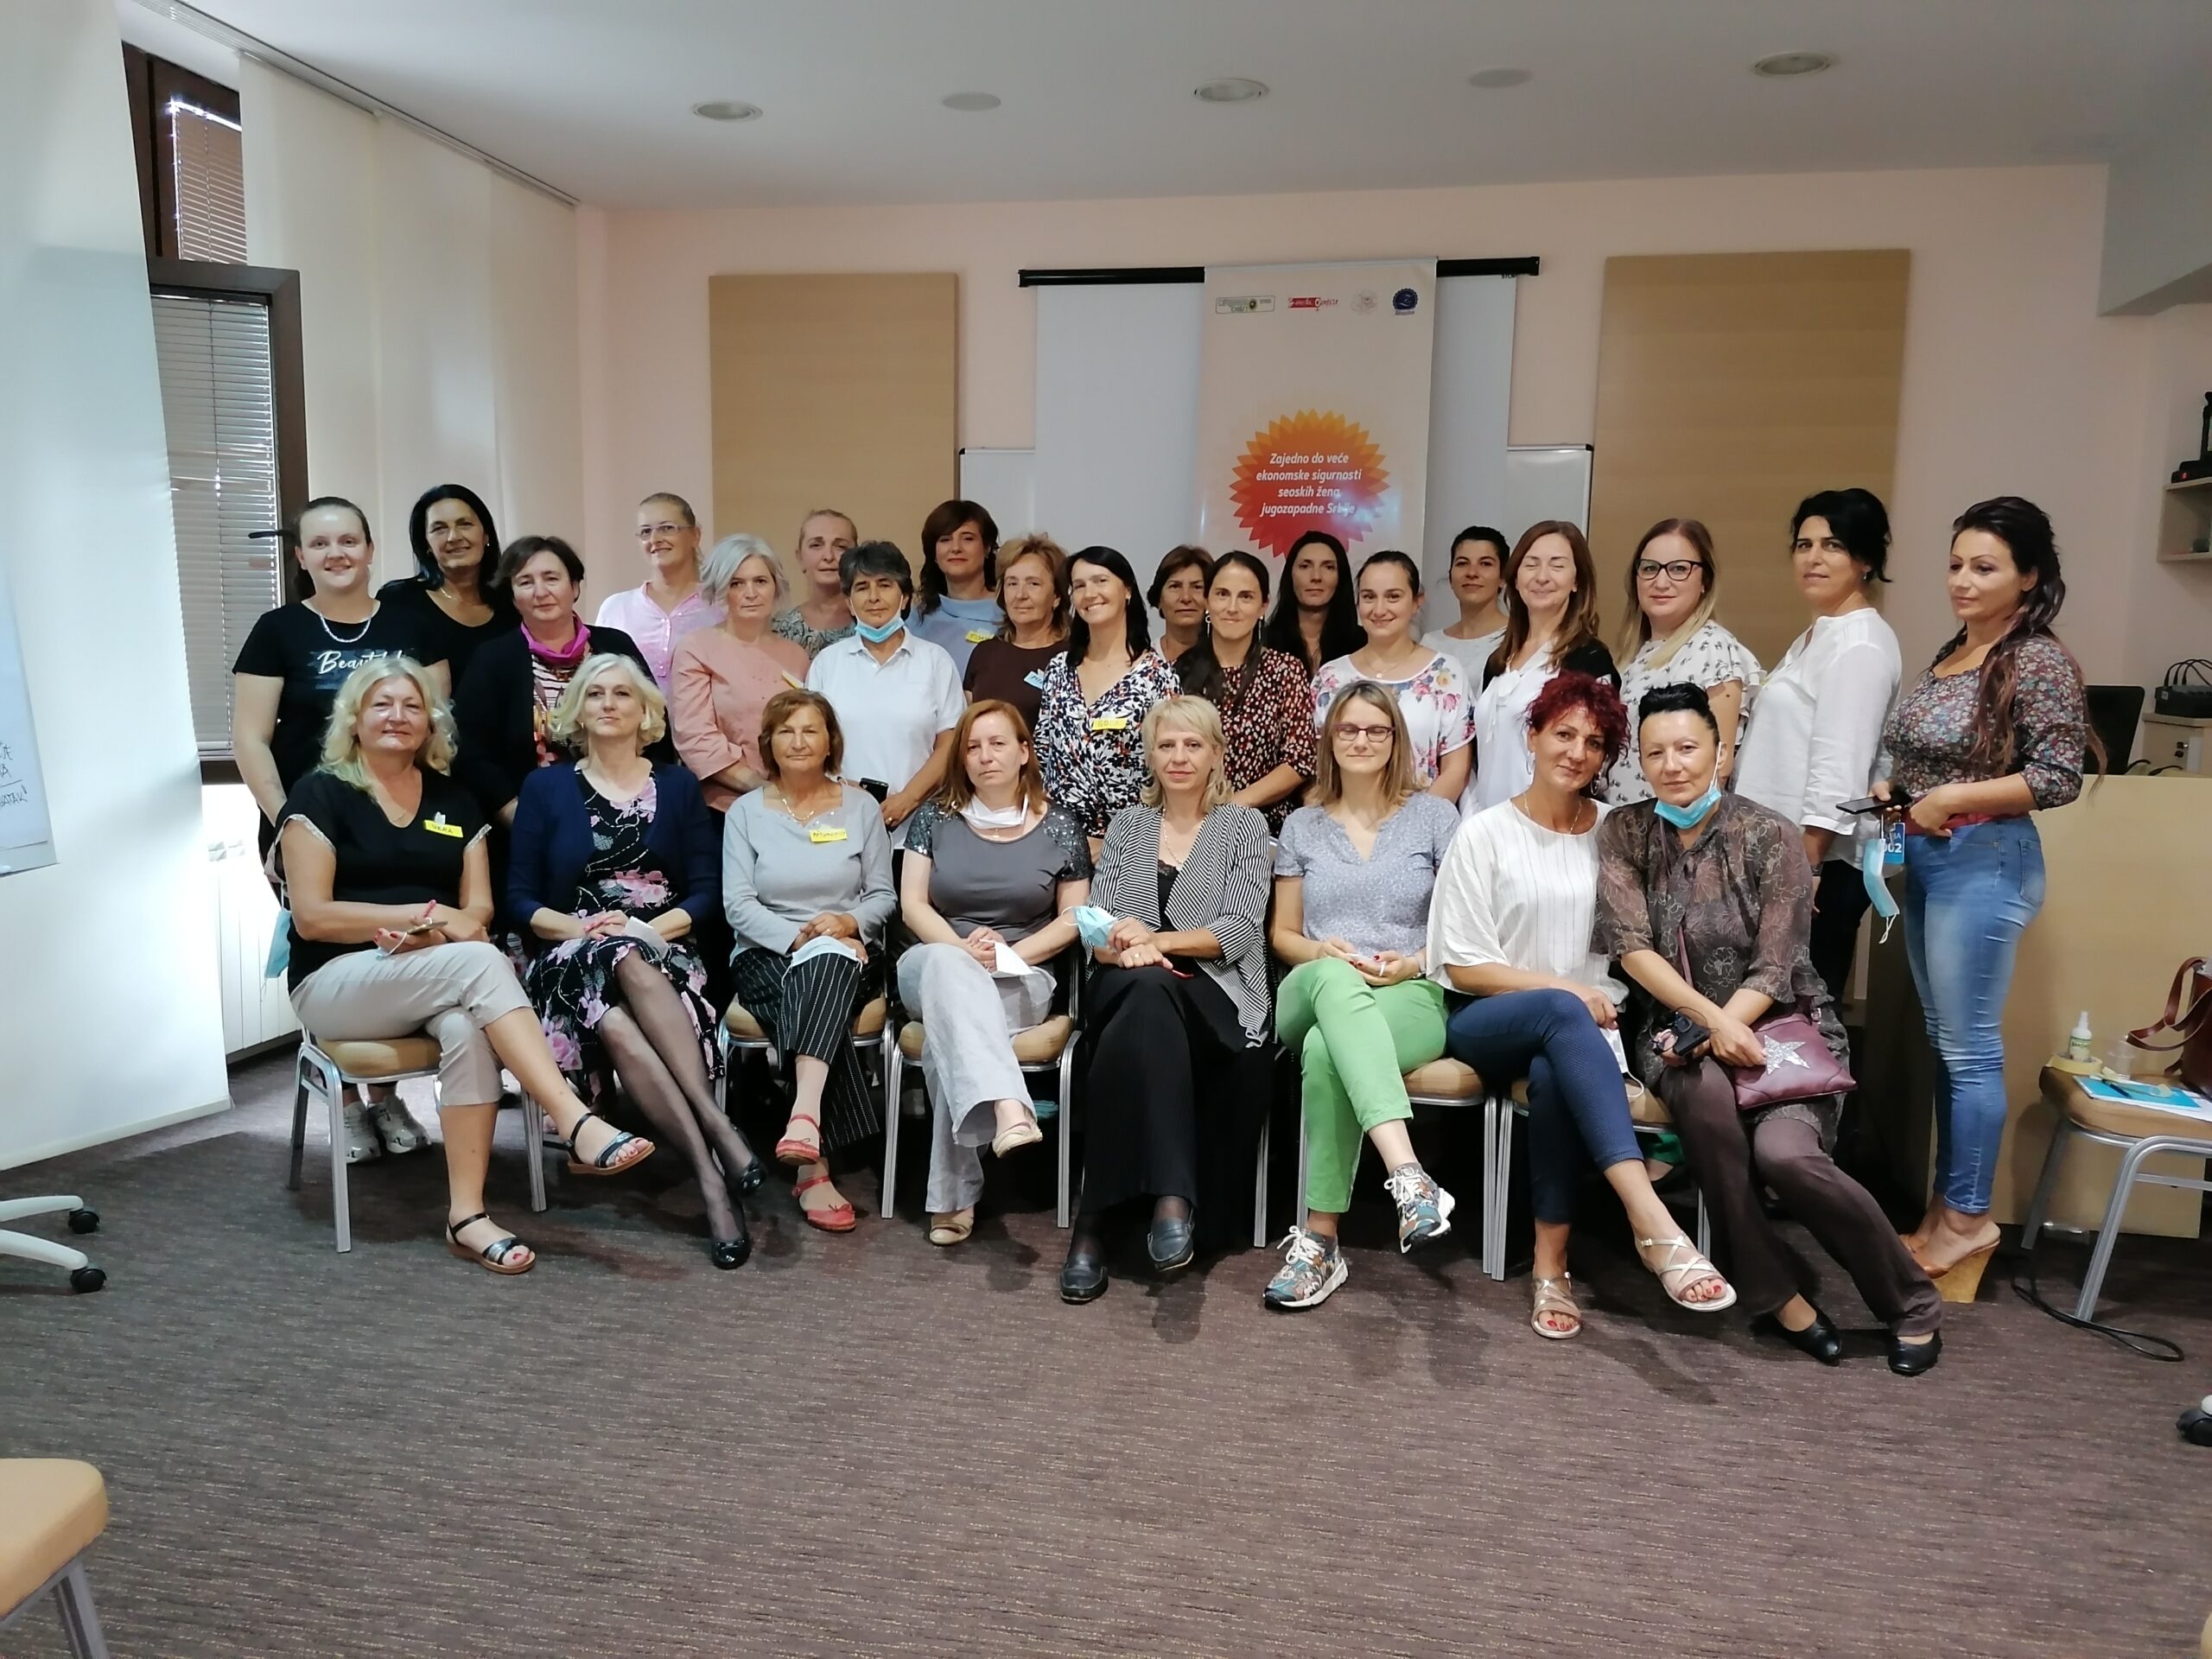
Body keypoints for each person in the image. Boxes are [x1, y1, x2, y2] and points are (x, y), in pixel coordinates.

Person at [1598, 682, 1942, 1374]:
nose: (1672, 765)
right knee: (1705, 1108)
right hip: (1678, 1036)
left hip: (1781, 1025)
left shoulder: (1768, 832)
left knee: (1787, 1158)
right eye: (1655, 752)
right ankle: (1778, 1295)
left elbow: (1778, 962)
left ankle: (1912, 1302)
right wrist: (1708, 1025)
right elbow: (1631, 948)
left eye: (1687, 747)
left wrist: (1729, 1024)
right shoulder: (1626, 832)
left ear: (1721, 753)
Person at [281, 657, 654, 1274]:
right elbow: (313, 917)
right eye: (381, 704)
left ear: (431, 722)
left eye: (412, 705)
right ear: (354, 719)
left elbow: (477, 909)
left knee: (466, 1027)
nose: (397, 716)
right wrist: (422, 917)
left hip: (433, 971)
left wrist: (433, 932)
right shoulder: (319, 793)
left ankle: (466, 1217)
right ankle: (572, 1117)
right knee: (479, 962)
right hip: (336, 980)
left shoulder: (455, 799)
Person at [1428, 671, 1734, 1339]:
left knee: (1553, 1073)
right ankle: (1651, 1220)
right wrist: (1562, 988)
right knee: (1562, 1017)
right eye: (1563, 734)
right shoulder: (1483, 832)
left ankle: (1551, 1269)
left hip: (1594, 1029)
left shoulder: (1618, 833)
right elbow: (1462, 965)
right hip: (1490, 1018)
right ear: (1533, 736)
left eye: (1594, 743)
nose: (1576, 752)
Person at [1880, 497, 2091, 1293]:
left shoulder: (2036, 659)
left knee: (1969, 1051)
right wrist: (1900, 792)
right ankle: (1947, 1210)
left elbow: (2058, 776)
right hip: (1931, 857)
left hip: (1986, 858)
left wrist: (1950, 798)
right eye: (1956, 565)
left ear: (2028, 577)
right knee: (1947, 1042)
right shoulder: (1959, 648)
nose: (1962, 581)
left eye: (1985, 567)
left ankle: (1969, 1222)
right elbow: (1929, 754)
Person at [510, 654, 759, 1268]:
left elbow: (706, 892)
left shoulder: (677, 785)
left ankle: (709, 1173)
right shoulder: (544, 788)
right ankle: (716, 1143)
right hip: (568, 952)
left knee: (619, 1008)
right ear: (577, 710)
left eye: (622, 693)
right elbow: (519, 899)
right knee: (612, 971)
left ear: (646, 710)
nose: (608, 704)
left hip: (663, 947)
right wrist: (582, 928)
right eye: (595, 694)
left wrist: (643, 930)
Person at [1061, 696, 1272, 1304]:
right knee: (1147, 990)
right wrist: (1123, 949)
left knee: (1147, 998)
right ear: (1150, 756)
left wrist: (1155, 942)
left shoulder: (1243, 826)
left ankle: (1091, 1227)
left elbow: (1238, 930)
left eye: (1193, 745)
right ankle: (1172, 1202)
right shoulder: (1127, 825)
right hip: (1126, 981)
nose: (1179, 757)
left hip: (1214, 993)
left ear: (1216, 755)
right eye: (1166, 745)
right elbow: (1097, 930)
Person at [1262, 683, 1461, 1311]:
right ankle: (1407, 1173)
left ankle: (1320, 1242)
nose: (1361, 740)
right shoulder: (1302, 824)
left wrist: (1413, 964)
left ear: (1396, 739)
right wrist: (1323, 952)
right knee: (1334, 982)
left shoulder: (1436, 817)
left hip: (1410, 991)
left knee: (1327, 1052)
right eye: (1348, 729)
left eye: (1377, 729)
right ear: (1330, 739)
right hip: (1312, 984)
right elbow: (1283, 935)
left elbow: (1458, 928)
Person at [896, 701, 1091, 1244]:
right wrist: (963, 949)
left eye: (998, 743)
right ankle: (1010, 1105)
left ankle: (953, 1198)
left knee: (951, 1032)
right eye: (973, 747)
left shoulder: (1061, 825)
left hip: (1022, 971)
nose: (985, 756)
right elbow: (913, 906)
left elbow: (1073, 918)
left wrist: (1011, 953)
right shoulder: (934, 818)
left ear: (1024, 752)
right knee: (948, 975)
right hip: (933, 959)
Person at [722, 689, 896, 1232]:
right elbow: (738, 904)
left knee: (827, 966)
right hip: (767, 954)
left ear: (830, 742)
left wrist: (848, 923)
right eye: (786, 731)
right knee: (818, 975)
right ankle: (811, 1150)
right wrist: (798, 940)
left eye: (810, 730)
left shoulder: (861, 808)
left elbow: (883, 896)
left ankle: (804, 1123)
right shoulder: (745, 812)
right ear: (769, 743)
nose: (798, 741)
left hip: (849, 950)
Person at [1733, 488, 1902, 1005]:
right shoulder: (1821, 634)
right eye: (1804, 545)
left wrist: (1804, 871)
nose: (1813, 557)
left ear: (1866, 560)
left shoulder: (1860, 644)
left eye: (1833, 545)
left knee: (1803, 1022)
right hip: (1778, 857)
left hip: (1816, 865)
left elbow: (1839, 769)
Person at [234, 496, 449, 868]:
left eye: (348, 541)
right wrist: (288, 822)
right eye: (320, 544)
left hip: (402, 821)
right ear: (302, 557)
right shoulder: (276, 629)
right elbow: (250, 740)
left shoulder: (415, 627)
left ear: (370, 550)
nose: (336, 554)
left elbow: (435, 732)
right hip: (306, 818)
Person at [454, 535, 662, 833]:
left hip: (627, 815)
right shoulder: (492, 659)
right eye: (525, 582)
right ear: (513, 596)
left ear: (574, 587)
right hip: (530, 821)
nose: (541, 592)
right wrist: (519, 816)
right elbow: (471, 751)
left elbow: (654, 726)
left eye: (551, 578)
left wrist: (640, 807)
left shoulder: (615, 645)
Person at [804, 541, 964, 848]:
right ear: (849, 601)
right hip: (840, 825)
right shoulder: (828, 663)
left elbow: (950, 743)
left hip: (918, 828)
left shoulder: (935, 660)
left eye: (885, 585)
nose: (874, 597)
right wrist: (845, 789)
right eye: (862, 587)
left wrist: (908, 798)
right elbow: (811, 741)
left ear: (905, 597)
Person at [1600, 518, 1761, 805]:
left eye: (1678, 569)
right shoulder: (1634, 655)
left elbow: (1718, 769)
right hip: (1624, 821)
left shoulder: (1713, 647)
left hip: (1673, 825)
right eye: (1649, 568)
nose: (1661, 582)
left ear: (1705, 581)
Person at [1465, 520, 1618, 817]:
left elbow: (1594, 757)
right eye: (1531, 564)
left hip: (1548, 826)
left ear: (1576, 581)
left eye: (1557, 566)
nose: (1542, 576)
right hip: (1490, 824)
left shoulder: (1589, 659)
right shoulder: (1499, 661)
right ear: (1515, 578)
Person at [1032, 546, 1184, 845]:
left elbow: (1171, 767)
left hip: (1132, 843)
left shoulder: (1157, 676)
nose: (1090, 594)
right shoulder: (1059, 669)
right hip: (1056, 840)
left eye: (1100, 581)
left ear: (1127, 590)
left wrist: (1117, 843)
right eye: (1079, 586)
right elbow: (1043, 752)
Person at [1309, 550, 1473, 804]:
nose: (1379, 609)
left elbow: (1456, 770)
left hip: (1424, 822)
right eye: (1369, 597)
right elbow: (1319, 770)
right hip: (1344, 820)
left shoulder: (1446, 675)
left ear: (1416, 601)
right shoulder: (1330, 678)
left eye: (1393, 597)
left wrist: (1416, 823)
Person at [669, 534, 811, 814]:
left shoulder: (796, 655)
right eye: (736, 583)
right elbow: (695, 738)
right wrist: (764, 788)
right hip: (722, 809)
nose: (751, 593)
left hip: (794, 804)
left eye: (760, 581)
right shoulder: (696, 648)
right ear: (720, 589)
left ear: (775, 586)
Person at [1174, 550, 1315, 829]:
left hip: (1263, 823)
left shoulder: (1285, 670)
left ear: (1263, 606)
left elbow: (1300, 758)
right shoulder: (1177, 672)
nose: (1232, 607)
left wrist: (1234, 805)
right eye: (1222, 594)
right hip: (1188, 822)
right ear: (1207, 601)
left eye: (1246, 597)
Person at [376, 484, 512, 685]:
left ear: (486, 535)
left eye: (465, 524)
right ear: (426, 544)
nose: (453, 537)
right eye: (439, 528)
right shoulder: (398, 601)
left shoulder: (511, 605)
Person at [594, 492, 717, 689]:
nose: (655, 539)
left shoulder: (719, 606)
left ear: (695, 535)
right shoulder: (616, 608)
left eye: (667, 528)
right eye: (645, 531)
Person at [962, 533, 1069, 729]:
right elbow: (967, 725)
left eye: (1033, 584)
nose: (1020, 595)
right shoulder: (985, 652)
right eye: (1012, 583)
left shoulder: (1073, 657)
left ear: (1056, 596)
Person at [908, 499, 1004, 676]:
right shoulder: (917, 618)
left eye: (967, 539)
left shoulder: (1009, 613)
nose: (956, 548)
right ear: (934, 553)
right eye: (945, 540)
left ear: (987, 547)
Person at [1262, 529, 1364, 675]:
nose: (1316, 577)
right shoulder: (1263, 643)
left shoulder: (1364, 644)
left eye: (1328, 567)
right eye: (1305, 566)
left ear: (1340, 577)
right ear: (1290, 575)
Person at [1422, 525, 1510, 682]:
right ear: (1450, 576)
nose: (1472, 573)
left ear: (1502, 577)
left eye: (1485, 564)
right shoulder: (1431, 644)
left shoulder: (1518, 639)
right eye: (1462, 563)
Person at [771, 508, 860, 658]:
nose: (828, 556)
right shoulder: (779, 628)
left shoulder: (873, 624)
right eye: (816, 545)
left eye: (840, 547)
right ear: (800, 557)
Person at [1148, 544, 1214, 667]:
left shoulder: (1226, 661)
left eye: (1197, 587)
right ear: (1159, 599)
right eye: (1175, 586)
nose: (1186, 598)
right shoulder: (1138, 663)